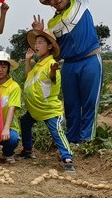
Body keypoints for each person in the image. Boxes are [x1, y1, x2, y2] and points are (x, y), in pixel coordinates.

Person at [31, 0, 102, 143]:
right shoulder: (52, 23)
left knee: (89, 102)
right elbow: (50, 48)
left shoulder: (80, 0)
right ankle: (72, 139)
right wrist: (40, 33)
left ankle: (87, 138)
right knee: (71, 103)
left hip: (90, 60)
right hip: (69, 65)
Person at [20, 29, 75, 173]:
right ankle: (27, 150)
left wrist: (53, 71)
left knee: (57, 132)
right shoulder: (38, 64)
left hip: (49, 110)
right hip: (34, 109)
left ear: (49, 46)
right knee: (24, 123)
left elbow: (52, 76)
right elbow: (28, 77)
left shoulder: (51, 64)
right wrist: (27, 60)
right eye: (35, 43)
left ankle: (67, 158)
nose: (36, 45)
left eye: (40, 43)